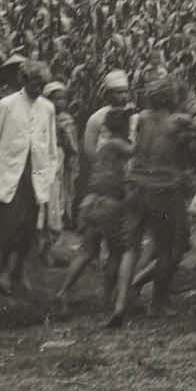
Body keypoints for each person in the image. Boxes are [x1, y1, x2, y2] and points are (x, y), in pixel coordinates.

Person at [109, 71, 196, 326]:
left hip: (136, 185)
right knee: (169, 248)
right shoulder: (177, 120)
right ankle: (158, 302)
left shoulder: (143, 118)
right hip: (162, 189)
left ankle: (120, 303)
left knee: (131, 248)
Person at [0, 60, 60, 296]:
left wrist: (49, 171)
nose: (39, 88)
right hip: (10, 173)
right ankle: (3, 271)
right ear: (24, 80)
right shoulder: (6, 105)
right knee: (10, 225)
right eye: (35, 82)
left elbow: (50, 144)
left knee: (29, 226)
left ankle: (19, 270)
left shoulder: (47, 107)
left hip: (35, 173)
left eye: (43, 84)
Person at [56, 106, 134, 312]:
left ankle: (64, 290)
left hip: (90, 202)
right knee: (116, 252)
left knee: (87, 251)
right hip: (108, 203)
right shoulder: (118, 145)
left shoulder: (104, 147)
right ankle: (107, 299)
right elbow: (138, 152)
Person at [40, 80, 78, 262]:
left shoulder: (66, 120)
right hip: (42, 161)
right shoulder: (40, 117)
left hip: (58, 163)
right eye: (56, 98)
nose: (60, 102)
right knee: (43, 204)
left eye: (63, 98)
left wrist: (66, 133)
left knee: (56, 204)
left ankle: (48, 247)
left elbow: (73, 147)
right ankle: (40, 247)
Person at [83, 69, 137, 157]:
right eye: (119, 92)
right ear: (108, 94)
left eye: (125, 92)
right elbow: (89, 149)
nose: (124, 96)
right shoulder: (97, 117)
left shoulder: (134, 116)